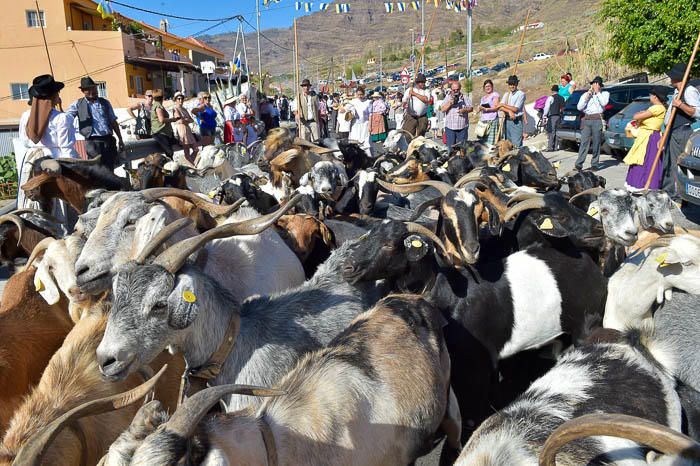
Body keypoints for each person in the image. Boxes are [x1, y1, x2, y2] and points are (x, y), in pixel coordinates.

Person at [66, 76, 124, 170]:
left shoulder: (105, 102)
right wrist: (59, 106)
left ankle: (109, 184)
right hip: (92, 141)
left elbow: (113, 121)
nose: (91, 91)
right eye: (87, 90)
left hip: (108, 140)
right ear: (83, 91)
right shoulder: (77, 104)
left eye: (93, 88)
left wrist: (120, 139)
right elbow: (66, 118)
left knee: (110, 167)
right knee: (97, 169)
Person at [662, 62, 700, 198]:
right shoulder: (677, 91)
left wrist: (681, 105)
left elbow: (698, 112)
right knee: (669, 163)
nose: (670, 79)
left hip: (682, 132)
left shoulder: (689, 91)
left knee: (680, 164)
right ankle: (670, 192)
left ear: (677, 77)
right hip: (672, 131)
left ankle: (681, 194)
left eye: (672, 76)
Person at [19, 74, 78, 160]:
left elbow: (24, 141)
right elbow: (66, 148)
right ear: (54, 96)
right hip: (54, 161)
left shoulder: (26, 116)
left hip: (31, 160)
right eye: (57, 93)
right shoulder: (62, 118)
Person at [623, 86, 668, 191]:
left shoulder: (658, 108)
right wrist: (640, 115)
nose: (650, 97)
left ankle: (644, 185)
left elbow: (636, 116)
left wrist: (640, 115)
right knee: (640, 159)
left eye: (651, 95)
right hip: (645, 136)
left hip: (650, 138)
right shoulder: (654, 108)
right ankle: (637, 184)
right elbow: (639, 116)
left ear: (656, 97)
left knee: (647, 161)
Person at [575, 76, 609, 171]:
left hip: (597, 119)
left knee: (596, 142)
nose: (594, 86)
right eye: (593, 84)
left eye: (596, 84)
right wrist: (587, 97)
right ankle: (579, 164)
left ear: (600, 86)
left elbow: (604, 103)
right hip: (587, 119)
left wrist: (597, 93)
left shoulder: (604, 94)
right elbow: (579, 107)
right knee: (584, 142)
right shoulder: (586, 94)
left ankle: (595, 163)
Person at [496, 75, 526, 148]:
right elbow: (499, 107)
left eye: (513, 84)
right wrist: (509, 111)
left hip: (516, 121)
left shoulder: (521, 94)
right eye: (510, 84)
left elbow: (515, 109)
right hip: (507, 121)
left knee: (516, 145)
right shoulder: (506, 94)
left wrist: (503, 104)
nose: (512, 86)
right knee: (508, 145)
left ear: (517, 84)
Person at [441, 81, 473, 148]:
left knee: (462, 148)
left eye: (457, 89)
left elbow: (471, 108)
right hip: (450, 127)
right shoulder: (448, 97)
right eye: (454, 90)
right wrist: (450, 103)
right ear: (451, 89)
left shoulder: (464, 97)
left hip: (462, 127)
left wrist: (464, 110)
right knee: (450, 148)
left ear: (460, 88)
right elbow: (442, 109)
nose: (455, 91)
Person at [150, 89, 179, 158]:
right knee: (169, 152)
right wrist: (173, 119)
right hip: (160, 132)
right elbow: (161, 120)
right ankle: (168, 166)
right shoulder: (158, 106)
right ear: (162, 97)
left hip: (163, 132)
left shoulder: (157, 105)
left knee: (172, 149)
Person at [172, 91, 198, 164]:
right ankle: (192, 165)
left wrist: (186, 120)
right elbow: (180, 120)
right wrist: (186, 120)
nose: (180, 100)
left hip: (188, 130)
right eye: (178, 99)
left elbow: (191, 120)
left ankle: (190, 164)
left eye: (181, 99)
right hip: (181, 131)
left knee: (196, 149)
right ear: (176, 100)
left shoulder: (184, 109)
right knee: (187, 151)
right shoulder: (175, 109)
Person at [402, 73, 430, 137]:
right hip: (411, 116)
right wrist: (405, 104)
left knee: (420, 136)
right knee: (408, 135)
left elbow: (426, 99)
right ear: (417, 83)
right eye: (421, 82)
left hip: (422, 117)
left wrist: (414, 94)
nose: (423, 83)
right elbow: (404, 101)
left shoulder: (426, 91)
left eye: (424, 82)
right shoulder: (409, 90)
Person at [349, 87, 372, 156]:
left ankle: (368, 158)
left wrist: (370, 125)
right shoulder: (353, 101)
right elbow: (344, 107)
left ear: (364, 94)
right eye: (358, 94)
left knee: (365, 143)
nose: (360, 96)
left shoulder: (368, 102)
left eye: (361, 94)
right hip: (355, 125)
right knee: (355, 141)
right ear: (356, 94)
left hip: (365, 124)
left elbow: (370, 114)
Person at [477, 79, 500, 145]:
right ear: (484, 88)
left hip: (492, 120)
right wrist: (479, 109)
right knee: (483, 141)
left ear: (492, 86)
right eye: (486, 86)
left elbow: (496, 107)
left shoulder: (495, 95)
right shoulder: (483, 98)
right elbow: (481, 108)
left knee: (491, 141)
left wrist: (486, 109)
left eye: (489, 86)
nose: (488, 88)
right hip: (483, 121)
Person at [543, 84, 565, 151]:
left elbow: (546, 108)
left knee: (551, 132)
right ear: (558, 90)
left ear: (552, 90)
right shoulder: (562, 98)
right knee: (557, 132)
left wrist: (544, 115)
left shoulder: (550, 98)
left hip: (552, 116)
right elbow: (563, 108)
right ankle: (555, 147)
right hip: (559, 116)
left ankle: (550, 147)